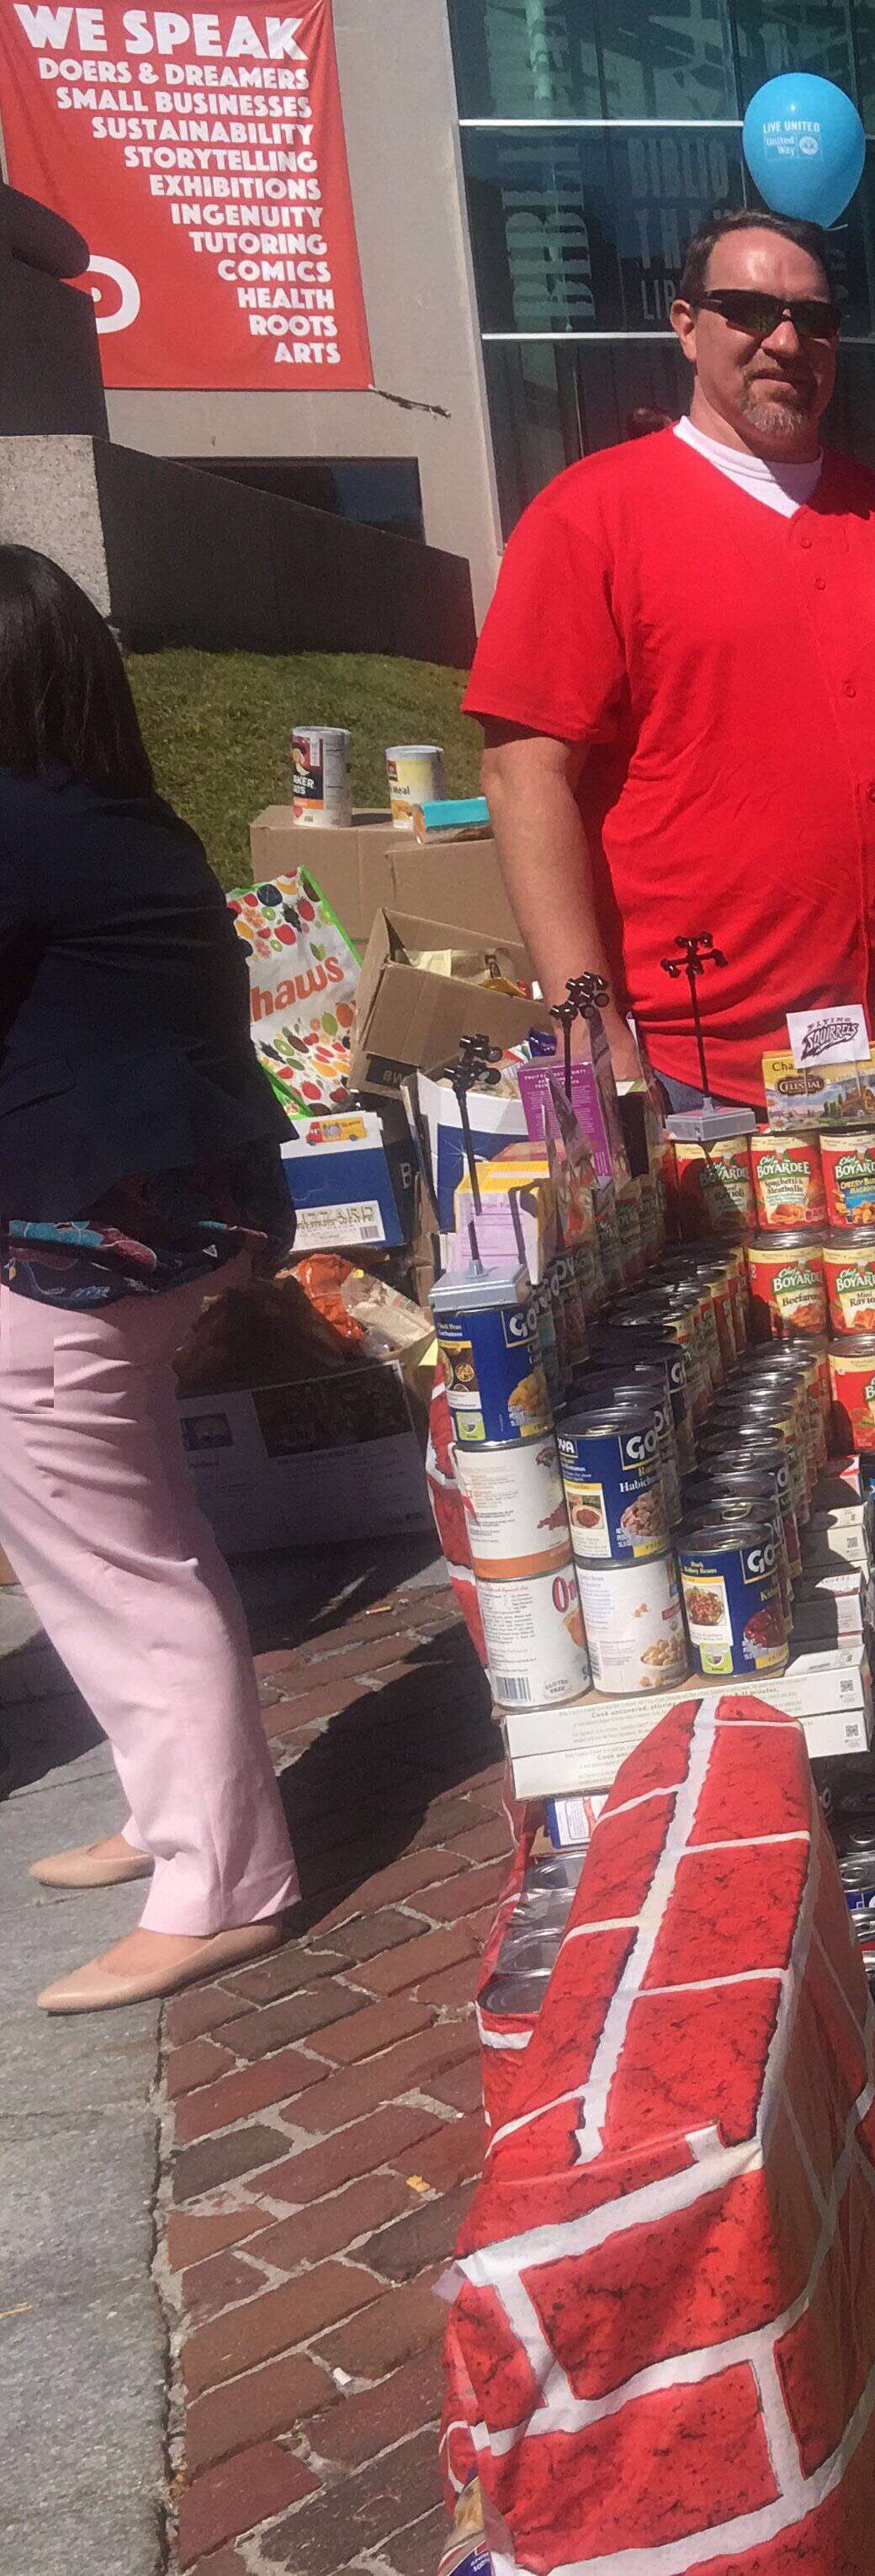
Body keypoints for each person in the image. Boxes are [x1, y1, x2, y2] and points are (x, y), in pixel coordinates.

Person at [473, 205, 875, 1107]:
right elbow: (525, 782)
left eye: (813, 317)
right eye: (749, 310)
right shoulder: (591, 516)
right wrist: (590, 1029)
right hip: (702, 1071)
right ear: (685, 326)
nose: (785, 339)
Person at [0, 547, 300, 2014]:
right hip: (154, 1235)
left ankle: (222, 1879)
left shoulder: (18, 832)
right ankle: (167, 1807)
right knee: (132, 1540)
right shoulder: (132, 826)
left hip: (58, 1250)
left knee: (121, 1567)